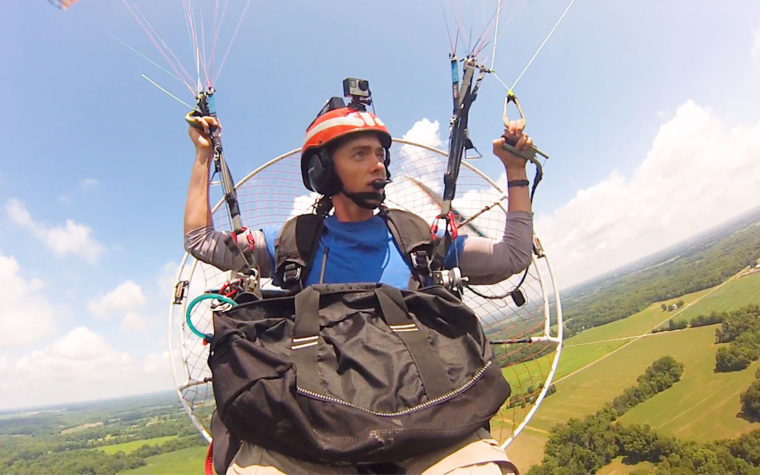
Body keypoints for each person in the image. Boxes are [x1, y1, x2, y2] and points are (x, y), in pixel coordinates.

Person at [184, 100, 534, 474]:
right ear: (323, 170)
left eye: (380, 154)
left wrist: (515, 172)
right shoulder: (294, 243)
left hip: (424, 417)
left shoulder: (417, 239)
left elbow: (511, 257)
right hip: (318, 427)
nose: (378, 164)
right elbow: (201, 241)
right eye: (360, 154)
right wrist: (204, 156)